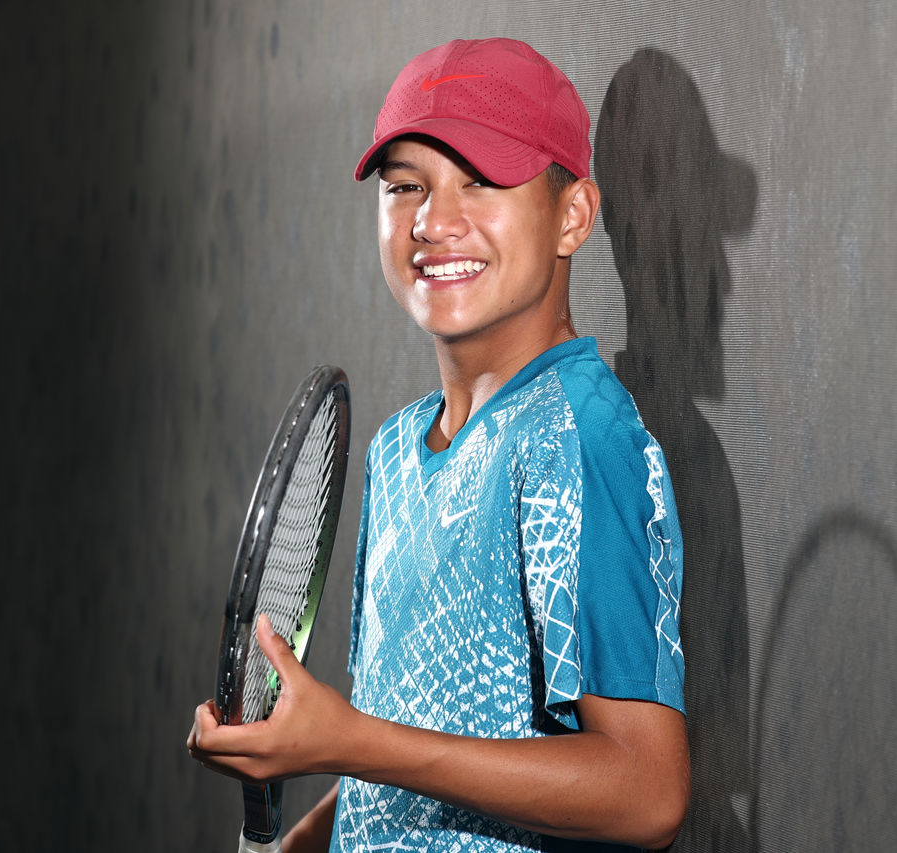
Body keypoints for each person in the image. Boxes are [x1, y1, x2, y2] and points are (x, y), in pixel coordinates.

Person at [188, 37, 689, 852]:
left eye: (481, 181)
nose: (433, 220)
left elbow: (649, 791)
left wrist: (349, 740)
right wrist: (301, 838)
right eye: (405, 186)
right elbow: (402, 773)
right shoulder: (393, 449)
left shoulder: (580, 435)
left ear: (572, 216)